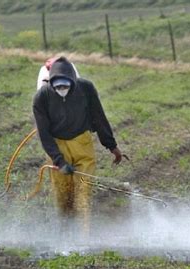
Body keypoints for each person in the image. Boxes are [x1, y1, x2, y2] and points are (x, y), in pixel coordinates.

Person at [32, 56, 122, 240]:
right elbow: (44, 135)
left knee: (83, 192)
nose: (62, 90)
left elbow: (99, 117)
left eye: (66, 86)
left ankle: (83, 239)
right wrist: (59, 161)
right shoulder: (41, 97)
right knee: (63, 195)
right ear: (51, 84)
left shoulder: (86, 89)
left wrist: (111, 146)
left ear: (73, 81)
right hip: (57, 146)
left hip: (82, 143)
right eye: (58, 87)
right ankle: (65, 235)